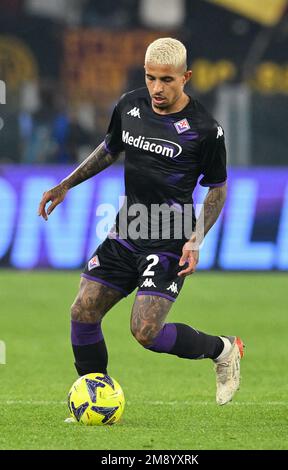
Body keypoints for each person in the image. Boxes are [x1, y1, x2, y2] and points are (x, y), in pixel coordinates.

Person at [38, 38, 244, 409]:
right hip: (129, 227)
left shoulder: (205, 129)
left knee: (145, 332)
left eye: (167, 79)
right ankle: (93, 401)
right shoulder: (129, 104)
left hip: (169, 236)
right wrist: (66, 184)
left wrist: (195, 240)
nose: (157, 88)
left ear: (187, 77)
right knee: (82, 311)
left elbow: (217, 191)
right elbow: (109, 148)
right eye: (150, 78)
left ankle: (224, 350)